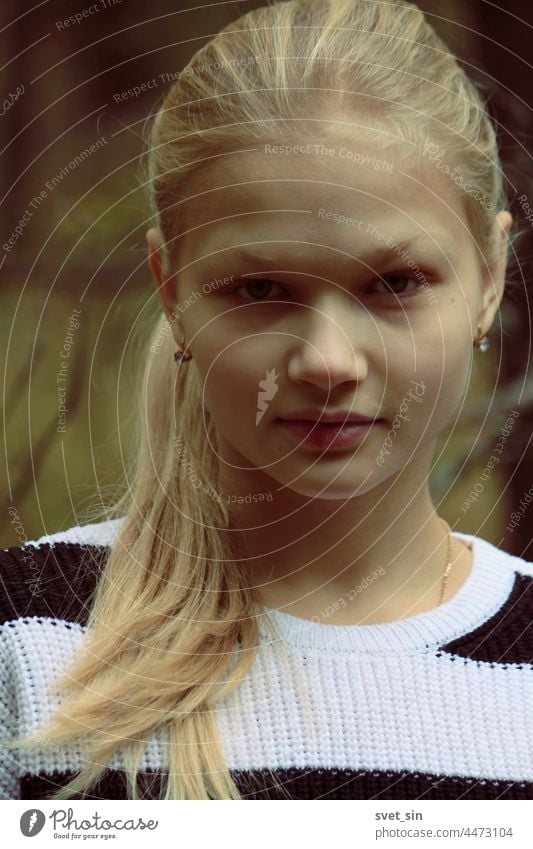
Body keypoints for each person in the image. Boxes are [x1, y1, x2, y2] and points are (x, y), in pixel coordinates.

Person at [1, 0, 531, 801]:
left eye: (393, 283)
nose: (326, 361)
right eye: (258, 288)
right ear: (171, 289)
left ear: (488, 277)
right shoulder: (26, 644)